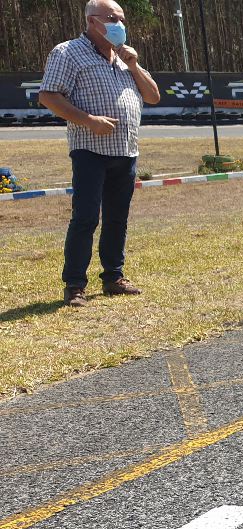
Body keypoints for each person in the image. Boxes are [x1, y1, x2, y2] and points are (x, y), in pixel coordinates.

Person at [38, 0, 161, 308]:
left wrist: (133, 65)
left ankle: (113, 277)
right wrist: (88, 121)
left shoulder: (125, 57)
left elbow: (153, 96)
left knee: (118, 218)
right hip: (90, 150)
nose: (119, 24)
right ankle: (75, 285)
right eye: (112, 18)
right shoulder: (67, 52)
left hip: (126, 150)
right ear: (93, 22)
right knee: (86, 217)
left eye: (121, 18)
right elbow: (48, 95)